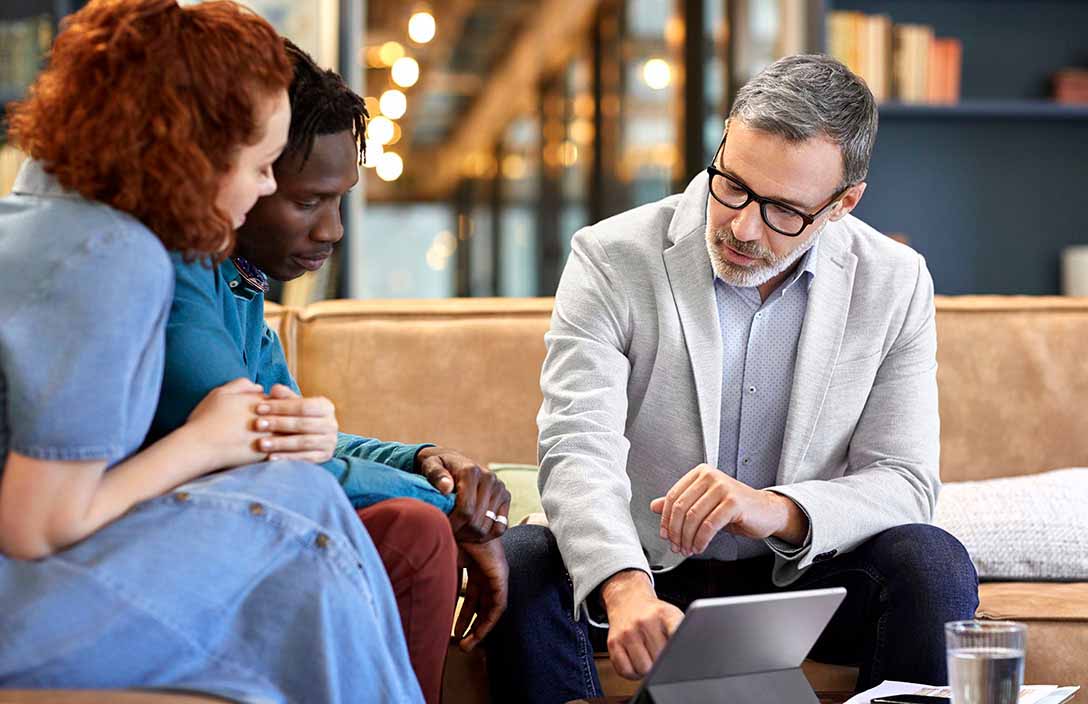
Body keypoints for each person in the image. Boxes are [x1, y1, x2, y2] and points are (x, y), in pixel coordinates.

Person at [484, 54, 979, 703]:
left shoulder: (895, 280)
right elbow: (578, 450)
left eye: (783, 211)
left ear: (843, 203)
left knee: (932, 561)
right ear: (720, 148)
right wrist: (625, 585)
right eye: (733, 185)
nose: (743, 227)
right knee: (522, 562)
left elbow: (906, 482)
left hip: (802, 579)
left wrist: (772, 508)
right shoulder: (610, 258)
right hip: (646, 573)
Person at [0, 2, 422, 702]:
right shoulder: (115, 256)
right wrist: (206, 441)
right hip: (20, 597)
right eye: (260, 165)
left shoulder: (37, 218)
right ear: (190, 150)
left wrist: (277, 435)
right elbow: (36, 520)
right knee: (300, 513)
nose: (263, 187)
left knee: (293, 499)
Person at [149, 40, 510, 704]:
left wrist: (421, 461)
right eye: (309, 199)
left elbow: (301, 442)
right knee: (417, 533)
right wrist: (451, 506)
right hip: (164, 543)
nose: (335, 229)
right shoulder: (173, 278)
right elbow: (264, 456)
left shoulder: (238, 281)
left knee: (414, 526)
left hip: (229, 521)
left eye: (341, 199)